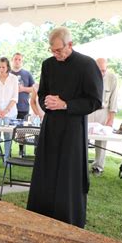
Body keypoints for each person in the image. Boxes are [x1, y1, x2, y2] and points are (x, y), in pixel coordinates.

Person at [27, 27, 102, 228]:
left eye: (59, 50)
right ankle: (40, 218)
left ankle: (67, 220)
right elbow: (41, 94)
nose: (56, 54)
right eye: (53, 51)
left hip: (73, 130)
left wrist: (66, 104)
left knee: (68, 177)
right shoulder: (48, 65)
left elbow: (95, 101)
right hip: (50, 128)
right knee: (46, 173)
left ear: (70, 44)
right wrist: (47, 102)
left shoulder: (87, 65)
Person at [88, 58, 119, 176]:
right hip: (89, 110)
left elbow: (114, 100)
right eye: (99, 70)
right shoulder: (88, 75)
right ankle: (80, 165)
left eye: (103, 70)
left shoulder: (112, 78)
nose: (101, 73)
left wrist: (111, 118)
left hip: (103, 111)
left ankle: (98, 167)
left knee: (102, 140)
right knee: (83, 138)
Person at [0, 57, 18, 166]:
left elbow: (15, 97)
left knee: (8, 137)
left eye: (3, 67)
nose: (1, 69)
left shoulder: (14, 79)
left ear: (7, 67)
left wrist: (5, 111)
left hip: (10, 112)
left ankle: (7, 161)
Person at [11, 52, 35, 156]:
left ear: (22, 61)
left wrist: (23, 89)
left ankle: (21, 150)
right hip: (10, 108)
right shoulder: (8, 73)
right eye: (15, 59)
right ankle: (7, 152)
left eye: (19, 59)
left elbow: (34, 88)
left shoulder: (27, 74)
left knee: (21, 130)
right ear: (12, 60)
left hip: (23, 106)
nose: (17, 61)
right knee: (8, 130)